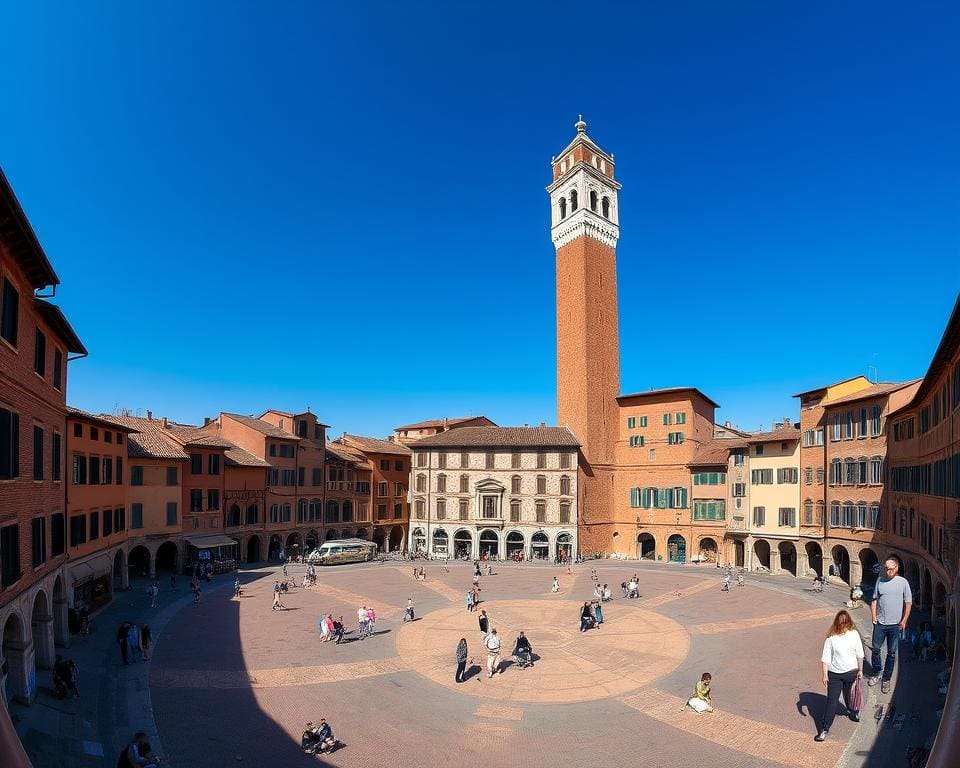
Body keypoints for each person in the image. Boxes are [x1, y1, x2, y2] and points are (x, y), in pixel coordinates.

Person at [815, 609, 863, 742]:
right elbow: (826, 658)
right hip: (834, 674)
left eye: (844, 623)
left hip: (850, 672)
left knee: (849, 694)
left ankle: (852, 711)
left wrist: (860, 670)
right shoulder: (831, 638)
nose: (843, 626)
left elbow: (860, 654)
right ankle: (825, 728)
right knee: (832, 701)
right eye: (841, 624)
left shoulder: (854, 634)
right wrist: (825, 675)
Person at [869, 556, 912, 695]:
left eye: (891, 569)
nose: (888, 571)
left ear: (897, 568)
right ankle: (876, 672)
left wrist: (904, 620)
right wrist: (873, 616)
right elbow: (874, 600)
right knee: (875, 649)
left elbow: (908, 603)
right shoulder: (880, 581)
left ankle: (886, 679)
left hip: (895, 625)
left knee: (891, 653)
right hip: (880, 623)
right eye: (886, 568)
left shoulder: (903, 582)